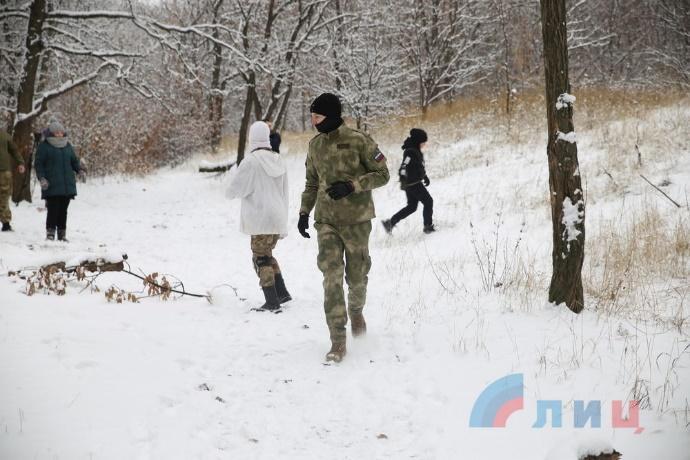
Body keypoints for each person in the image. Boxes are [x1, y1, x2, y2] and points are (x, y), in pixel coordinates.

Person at [298, 93, 390, 362]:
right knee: (331, 278)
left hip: (357, 220)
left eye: (318, 116)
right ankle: (338, 340)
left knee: (357, 277)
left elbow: (383, 174)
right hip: (326, 221)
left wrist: (352, 185)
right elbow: (311, 183)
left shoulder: (359, 140)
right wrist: (305, 212)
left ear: (332, 116)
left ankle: (357, 310)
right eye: (312, 116)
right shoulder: (314, 146)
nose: (313, 122)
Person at [227, 121, 291, 311]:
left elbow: (233, 190)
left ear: (251, 138)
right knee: (267, 254)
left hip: (261, 218)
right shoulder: (278, 159)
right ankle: (281, 293)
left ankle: (272, 301)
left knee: (260, 258)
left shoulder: (251, 161)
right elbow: (285, 190)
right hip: (277, 216)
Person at [34, 120, 84, 241]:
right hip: (52, 184)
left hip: (67, 184)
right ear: (51, 133)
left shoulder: (67, 145)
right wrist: (42, 178)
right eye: (56, 132)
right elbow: (39, 164)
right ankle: (50, 233)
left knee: (63, 210)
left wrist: (80, 170)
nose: (59, 134)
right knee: (53, 209)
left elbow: (74, 161)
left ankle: (62, 234)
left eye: (61, 132)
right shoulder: (44, 146)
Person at [382, 128, 435, 234]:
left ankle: (390, 223)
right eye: (423, 142)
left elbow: (418, 166)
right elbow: (404, 165)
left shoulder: (414, 150)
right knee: (428, 202)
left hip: (411, 183)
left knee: (412, 207)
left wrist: (424, 176)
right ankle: (428, 227)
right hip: (413, 183)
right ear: (417, 141)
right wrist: (406, 179)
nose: (424, 144)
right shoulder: (410, 152)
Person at [0, 128, 25, 232]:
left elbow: (14, 150)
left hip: (4, 171)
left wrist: (20, 162)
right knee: (4, 197)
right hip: (4, 171)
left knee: (4, 197)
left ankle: (6, 223)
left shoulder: (4, 135)